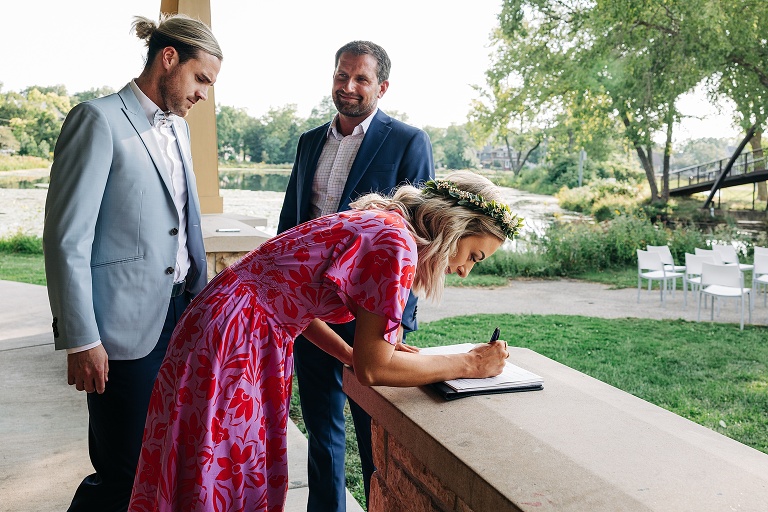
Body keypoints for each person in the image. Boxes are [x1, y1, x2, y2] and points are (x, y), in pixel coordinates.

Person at [128, 171, 523, 512]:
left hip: (230, 322)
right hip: (236, 337)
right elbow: (374, 368)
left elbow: (292, 301)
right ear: (456, 226)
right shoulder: (396, 244)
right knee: (219, 463)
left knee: (204, 455)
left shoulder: (383, 224)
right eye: (475, 255)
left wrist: (349, 352)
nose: (468, 271)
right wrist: (471, 365)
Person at [43, 14, 222, 512]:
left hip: (179, 316)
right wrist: (82, 338)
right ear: (169, 58)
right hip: (120, 328)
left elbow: (182, 224)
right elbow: (66, 239)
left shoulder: (180, 130)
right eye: (201, 78)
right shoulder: (97, 120)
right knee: (123, 467)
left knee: (162, 456)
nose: (204, 94)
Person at [277, 39, 434, 511]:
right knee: (322, 431)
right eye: (341, 76)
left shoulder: (408, 141)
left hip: (370, 310)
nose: (348, 87)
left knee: (374, 430)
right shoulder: (309, 142)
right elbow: (291, 226)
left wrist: (399, 319)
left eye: (361, 78)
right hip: (312, 311)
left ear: (381, 86)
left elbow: (418, 237)